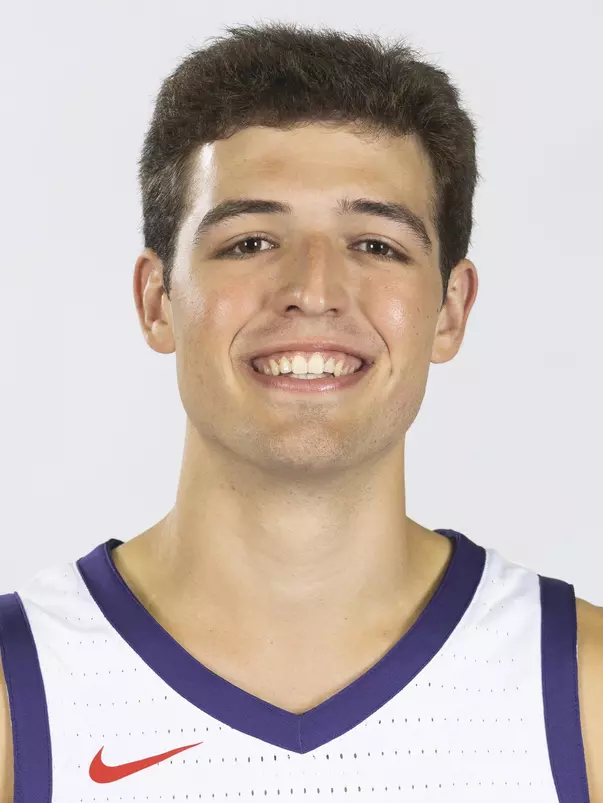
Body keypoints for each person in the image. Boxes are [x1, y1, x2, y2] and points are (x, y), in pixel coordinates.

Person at [0, 20, 601, 802]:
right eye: (250, 242)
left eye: (376, 245)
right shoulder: (19, 694)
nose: (313, 290)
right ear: (157, 300)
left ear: (450, 310)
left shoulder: (583, 692)